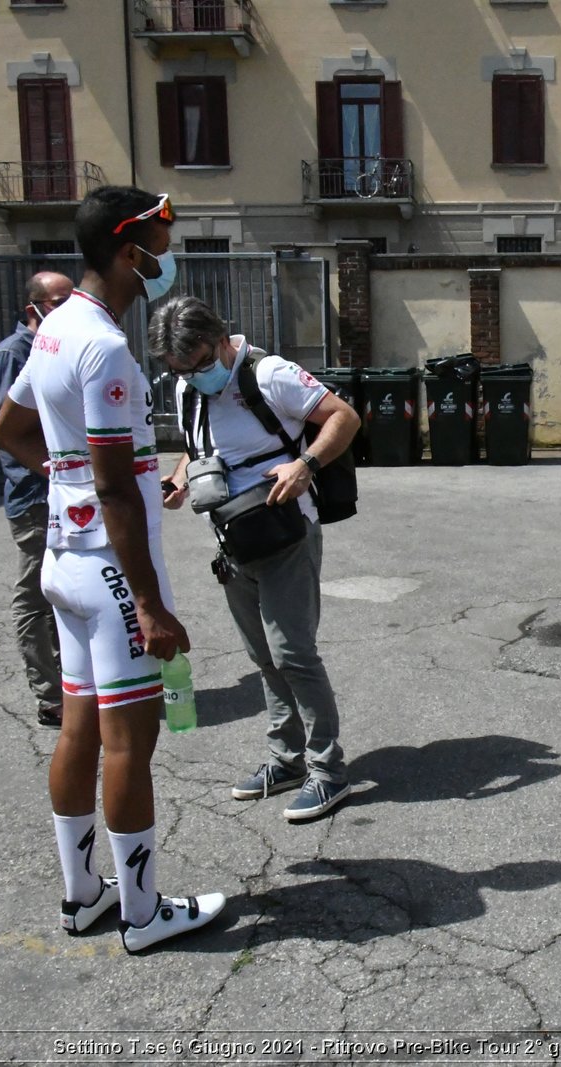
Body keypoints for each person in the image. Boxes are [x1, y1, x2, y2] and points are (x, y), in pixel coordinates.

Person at [0, 185, 226, 953]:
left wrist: (67, 481)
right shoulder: (105, 345)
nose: (165, 259)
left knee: (80, 730)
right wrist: (153, 606)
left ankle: (82, 895)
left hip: (65, 560)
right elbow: (116, 482)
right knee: (130, 742)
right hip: (108, 573)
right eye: (160, 244)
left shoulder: (56, 328)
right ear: (130, 251)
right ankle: (143, 912)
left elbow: (8, 427)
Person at [150, 296, 360, 823]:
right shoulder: (186, 389)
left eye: (201, 363)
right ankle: (286, 760)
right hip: (232, 540)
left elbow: (344, 417)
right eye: (182, 370)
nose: (194, 376)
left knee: (294, 654)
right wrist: (180, 479)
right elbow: (202, 446)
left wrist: (305, 464)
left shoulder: (270, 375)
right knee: (263, 656)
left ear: (222, 340)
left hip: (286, 531)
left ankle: (328, 771)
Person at [0, 271, 74, 728]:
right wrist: (53, 464)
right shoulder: (12, 355)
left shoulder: (56, 348)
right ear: (32, 308)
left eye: (70, 300)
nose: (65, 309)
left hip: (66, 494)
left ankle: (73, 684)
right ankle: (50, 695)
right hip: (36, 497)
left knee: (66, 592)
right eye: (57, 302)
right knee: (36, 596)